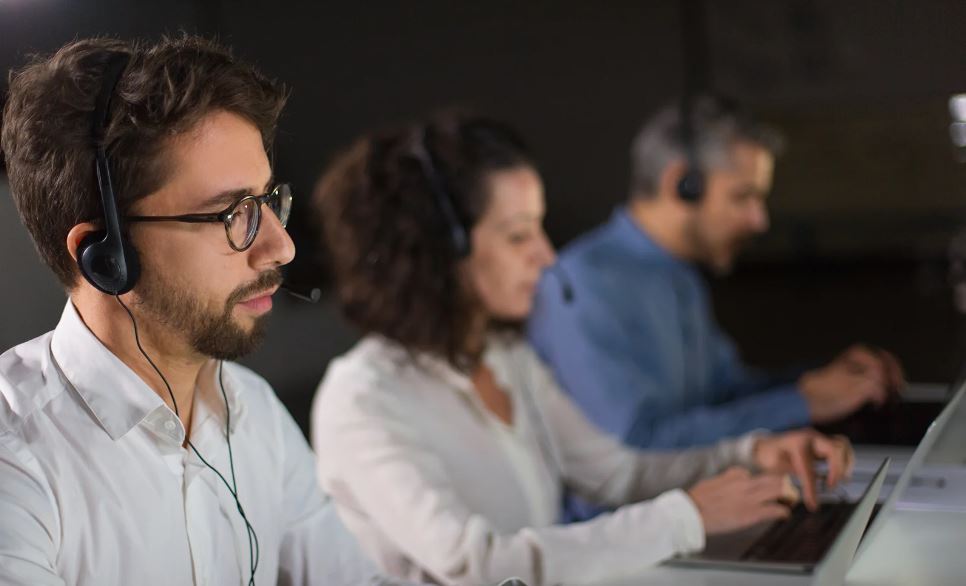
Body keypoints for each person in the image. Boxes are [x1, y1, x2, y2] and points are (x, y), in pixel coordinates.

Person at [310, 112, 853, 586]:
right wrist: (685, 517)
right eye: (519, 235)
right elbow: (477, 565)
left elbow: (615, 475)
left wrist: (749, 454)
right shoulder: (363, 398)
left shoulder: (505, 358)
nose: (547, 259)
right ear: (439, 251)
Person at [0, 36, 404, 585]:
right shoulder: (16, 460)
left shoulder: (253, 410)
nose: (281, 247)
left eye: (266, 201)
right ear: (106, 258)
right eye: (231, 213)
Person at [526, 97, 903, 521]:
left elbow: (720, 391)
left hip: (697, 513)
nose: (759, 221)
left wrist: (817, 381)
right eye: (743, 197)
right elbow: (635, 444)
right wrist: (799, 403)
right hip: (623, 539)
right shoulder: (583, 285)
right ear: (680, 184)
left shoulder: (679, 273)